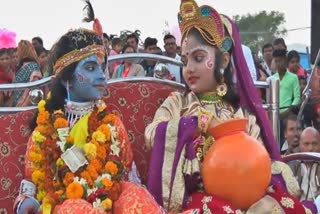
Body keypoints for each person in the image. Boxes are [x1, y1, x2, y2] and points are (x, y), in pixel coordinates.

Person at [144, 0, 316, 213]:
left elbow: (258, 155)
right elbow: (152, 134)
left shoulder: (238, 112)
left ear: (224, 60)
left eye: (198, 58)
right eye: (185, 60)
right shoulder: (178, 102)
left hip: (247, 190)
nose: (189, 68)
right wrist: (195, 124)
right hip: (200, 195)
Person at [13, 2, 136, 213]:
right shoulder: (45, 130)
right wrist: (25, 202)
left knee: (135, 195)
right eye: (90, 68)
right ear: (66, 79)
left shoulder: (113, 124)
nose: (101, 75)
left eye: (101, 66)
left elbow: (128, 177)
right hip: (62, 206)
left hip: (108, 203)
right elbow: (30, 186)